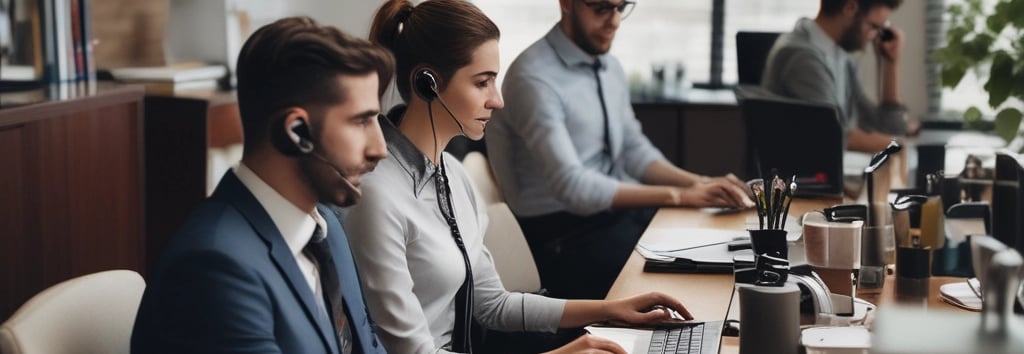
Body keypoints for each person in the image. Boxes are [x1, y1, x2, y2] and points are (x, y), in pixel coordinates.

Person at [339, 1, 694, 353]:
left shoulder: (453, 175)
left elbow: (492, 304)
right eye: (483, 83)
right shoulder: (377, 195)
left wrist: (610, 309)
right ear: (427, 83)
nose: (498, 100)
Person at [131, 17, 392, 354]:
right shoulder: (215, 268)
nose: (380, 148)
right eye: (361, 121)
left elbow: (367, 345)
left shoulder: (327, 229)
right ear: (295, 132)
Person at [484, 0, 754, 300]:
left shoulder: (608, 66)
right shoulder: (533, 78)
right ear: (566, 4)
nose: (614, 21)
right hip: (560, 236)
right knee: (689, 280)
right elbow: (573, 188)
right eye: (601, 8)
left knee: (715, 245)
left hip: (612, 216)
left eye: (620, 7)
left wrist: (698, 182)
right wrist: (679, 195)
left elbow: (633, 149)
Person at [761, 0, 910, 153]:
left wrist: (890, 63)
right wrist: (900, 146)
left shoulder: (840, 55)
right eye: (873, 27)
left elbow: (886, 127)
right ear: (850, 8)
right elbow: (835, 135)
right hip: (802, 173)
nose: (874, 36)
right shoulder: (802, 57)